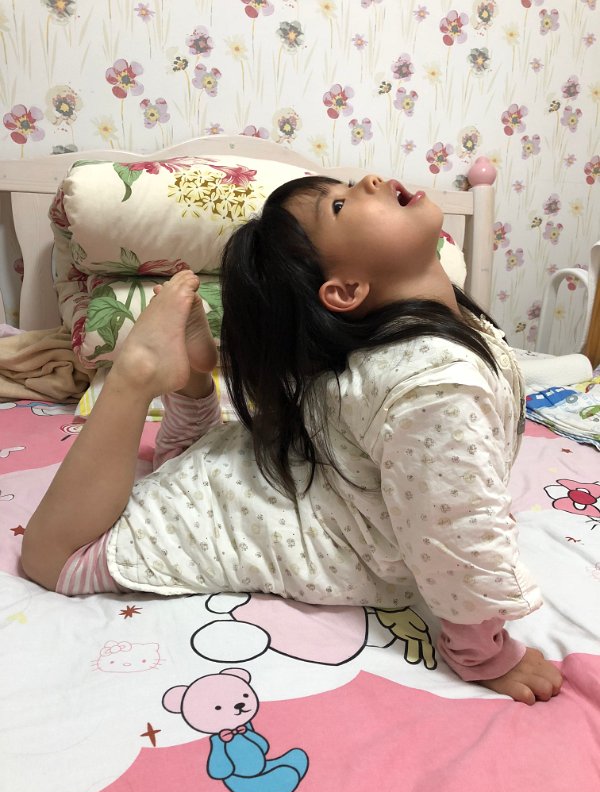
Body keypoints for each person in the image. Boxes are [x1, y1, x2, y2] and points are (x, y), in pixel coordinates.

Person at [21, 174, 562, 705]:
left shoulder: (425, 346)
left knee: (189, 464)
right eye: (340, 206)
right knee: (54, 558)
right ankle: (138, 371)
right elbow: (454, 531)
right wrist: (481, 653)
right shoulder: (435, 386)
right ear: (344, 290)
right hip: (298, 515)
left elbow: (450, 496)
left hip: (303, 482)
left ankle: (190, 384)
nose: (371, 180)